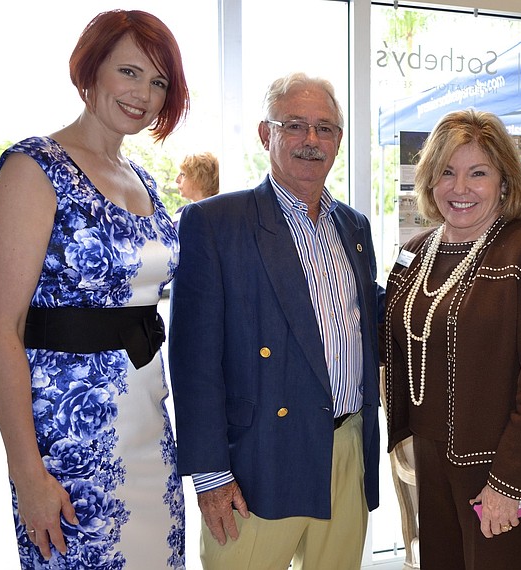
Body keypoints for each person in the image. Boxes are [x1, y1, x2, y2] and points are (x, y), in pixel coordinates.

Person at [0, 9, 189, 569]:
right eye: (129, 72)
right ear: (90, 72)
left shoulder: (142, 177)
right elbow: (1, 330)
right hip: (71, 445)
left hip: (149, 425)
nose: (143, 94)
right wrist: (26, 471)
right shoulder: (34, 168)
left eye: (158, 81)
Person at [168, 72, 384, 570]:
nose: (312, 140)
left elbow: (366, 317)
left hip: (346, 445)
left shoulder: (354, 226)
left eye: (325, 128)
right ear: (266, 135)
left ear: (339, 141)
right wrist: (209, 475)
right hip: (256, 462)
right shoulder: (216, 223)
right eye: (295, 125)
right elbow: (194, 361)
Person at [383, 109, 521, 569]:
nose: (459, 188)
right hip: (430, 455)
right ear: (428, 180)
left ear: (504, 181)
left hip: (497, 461)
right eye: (446, 172)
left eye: (477, 173)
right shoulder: (416, 251)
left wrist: (509, 481)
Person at [172, 151, 219, 224]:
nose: (177, 180)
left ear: (199, 179)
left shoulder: (219, 214)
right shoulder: (180, 213)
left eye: (183, 174)